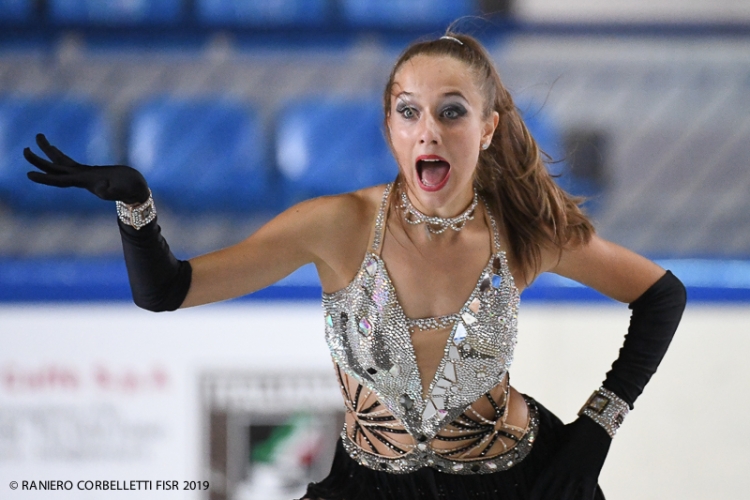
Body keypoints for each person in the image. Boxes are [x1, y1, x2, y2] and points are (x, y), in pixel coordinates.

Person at [23, 32, 685, 500]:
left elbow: (661, 296)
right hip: (369, 484)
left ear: (486, 127)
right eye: (409, 112)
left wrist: (598, 428)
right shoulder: (336, 226)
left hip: (512, 480)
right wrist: (136, 207)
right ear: (390, 128)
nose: (428, 130)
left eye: (451, 111)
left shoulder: (523, 231)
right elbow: (166, 291)